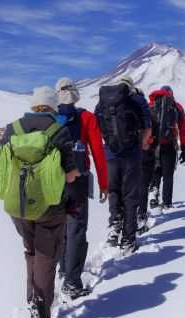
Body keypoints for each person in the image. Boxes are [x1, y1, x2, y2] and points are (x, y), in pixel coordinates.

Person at [0, 86, 80, 318]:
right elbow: (71, 174)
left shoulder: (13, 128)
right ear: (54, 106)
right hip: (49, 207)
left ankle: (33, 303)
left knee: (31, 253)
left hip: (18, 206)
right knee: (45, 257)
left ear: (33, 104)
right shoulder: (58, 131)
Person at [54, 77, 109, 300]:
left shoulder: (48, 117)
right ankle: (72, 282)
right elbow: (97, 151)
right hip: (77, 181)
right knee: (76, 229)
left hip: (52, 183)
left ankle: (63, 269)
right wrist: (104, 183)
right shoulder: (86, 117)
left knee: (59, 228)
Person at [95, 76, 152, 252]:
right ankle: (128, 239)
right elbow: (147, 127)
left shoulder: (102, 103)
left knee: (114, 191)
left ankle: (114, 228)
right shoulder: (137, 100)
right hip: (131, 154)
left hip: (110, 154)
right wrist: (142, 144)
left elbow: (98, 128)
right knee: (130, 195)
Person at [145, 85, 185, 212]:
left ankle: (153, 196)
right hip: (169, 144)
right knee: (168, 175)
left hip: (152, 145)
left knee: (155, 172)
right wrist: (184, 148)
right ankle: (167, 203)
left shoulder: (150, 104)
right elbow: (183, 128)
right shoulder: (176, 106)